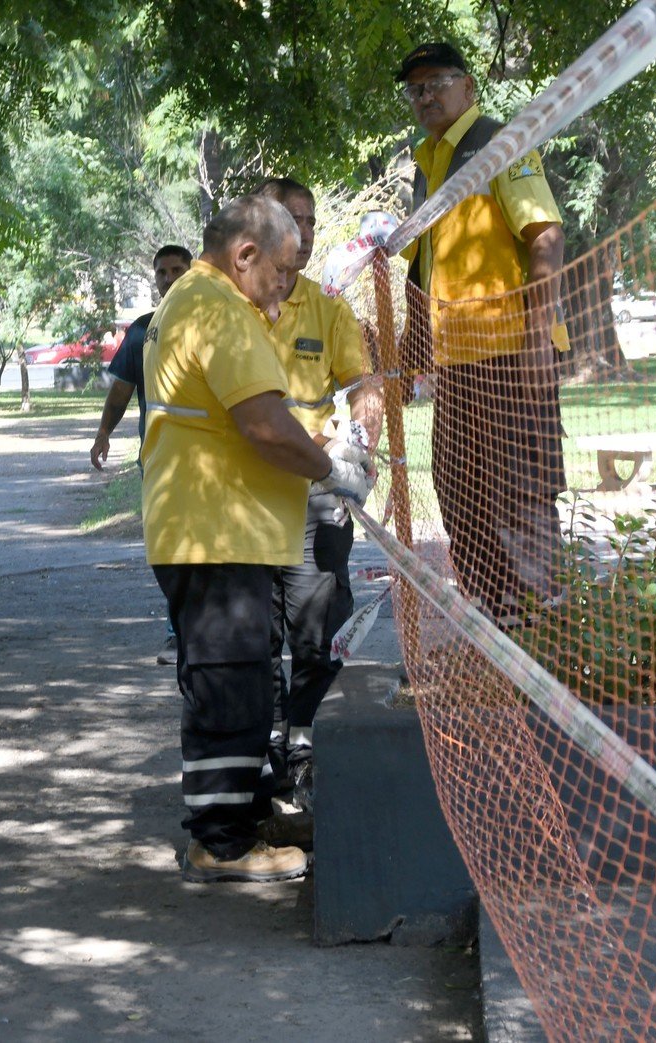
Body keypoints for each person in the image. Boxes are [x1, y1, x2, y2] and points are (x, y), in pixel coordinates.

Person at [143, 195, 375, 884]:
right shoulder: (217, 311)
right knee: (228, 686)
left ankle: (233, 821)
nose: (285, 290)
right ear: (244, 256)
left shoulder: (195, 300)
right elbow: (266, 425)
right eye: (280, 272)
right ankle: (221, 841)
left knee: (235, 680)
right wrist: (331, 469)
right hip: (215, 531)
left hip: (214, 526)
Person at [396, 42, 568, 625]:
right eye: (414, 89)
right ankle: (492, 616)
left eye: (435, 83)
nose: (424, 97)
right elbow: (426, 270)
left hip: (512, 354)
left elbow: (544, 237)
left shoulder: (500, 142)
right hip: (456, 365)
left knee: (520, 493)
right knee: (459, 490)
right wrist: (408, 358)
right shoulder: (427, 163)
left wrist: (538, 344)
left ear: (468, 87)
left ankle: (543, 627)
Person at [251, 177, 383, 802]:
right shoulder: (230, 305)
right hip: (244, 503)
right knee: (253, 634)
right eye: (289, 219)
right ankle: (260, 748)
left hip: (315, 497)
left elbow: (365, 389)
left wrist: (355, 454)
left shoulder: (329, 311)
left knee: (318, 629)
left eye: (309, 220)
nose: (302, 233)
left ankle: (300, 740)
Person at [90, 244, 194, 664]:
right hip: (157, 460)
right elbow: (120, 392)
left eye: (177, 270)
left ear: (192, 272)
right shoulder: (142, 331)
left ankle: (203, 627)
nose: (169, 279)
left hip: (209, 461)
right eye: (162, 272)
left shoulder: (212, 321)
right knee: (167, 547)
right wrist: (102, 433)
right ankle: (178, 627)